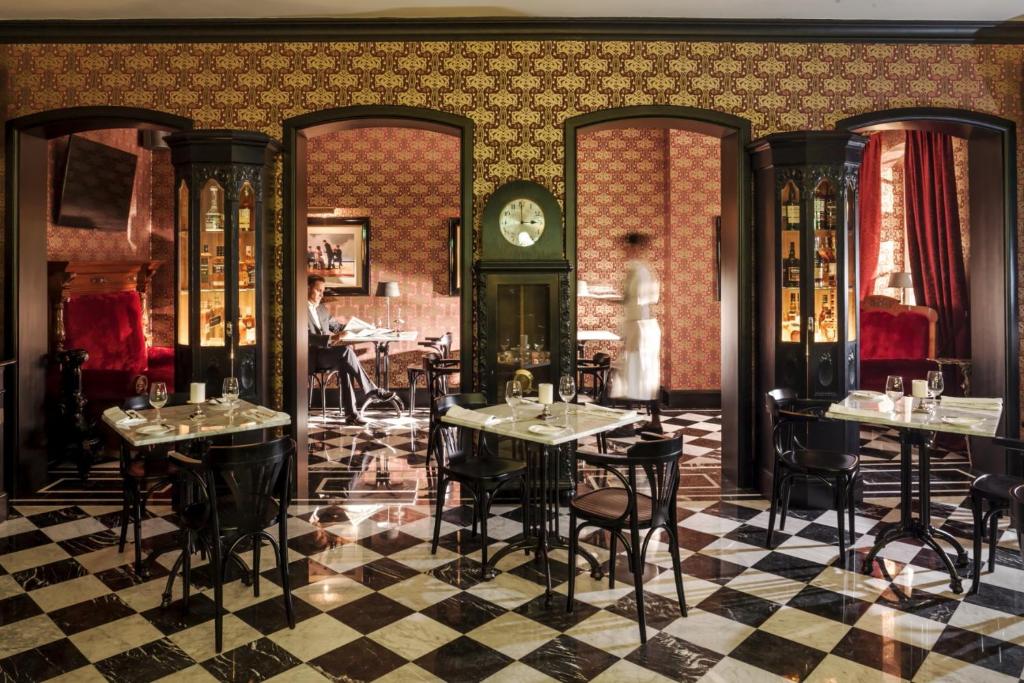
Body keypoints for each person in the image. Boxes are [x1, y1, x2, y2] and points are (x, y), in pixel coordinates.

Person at [307, 274, 389, 425]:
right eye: (318, 290)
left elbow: (337, 327)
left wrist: (360, 328)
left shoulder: (322, 309)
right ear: (308, 288)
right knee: (346, 351)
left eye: (323, 291)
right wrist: (332, 339)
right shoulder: (299, 309)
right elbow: (305, 336)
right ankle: (371, 390)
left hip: (326, 354)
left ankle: (351, 414)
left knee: (345, 362)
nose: (321, 294)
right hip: (310, 356)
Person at [609, 232, 663, 432]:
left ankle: (629, 424)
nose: (625, 251)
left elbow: (635, 301)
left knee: (633, 375)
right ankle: (652, 422)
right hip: (640, 325)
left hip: (641, 327)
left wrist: (599, 296)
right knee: (636, 374)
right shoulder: (638, 270)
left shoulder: (640, 271)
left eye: (628, 247)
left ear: (637, 248)